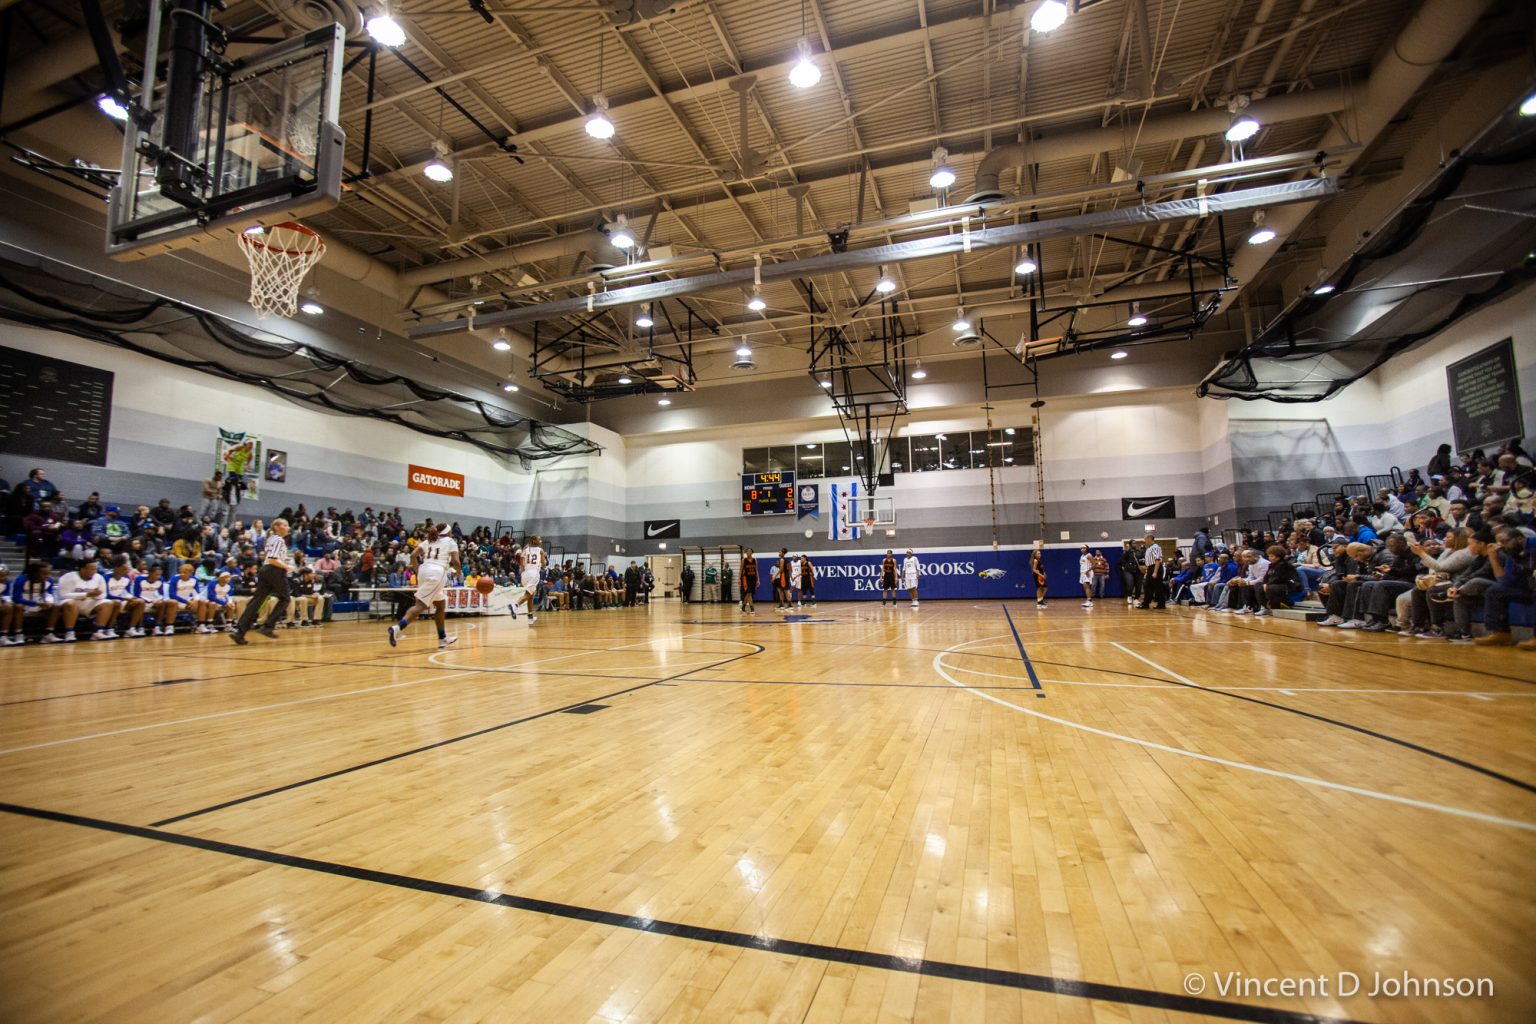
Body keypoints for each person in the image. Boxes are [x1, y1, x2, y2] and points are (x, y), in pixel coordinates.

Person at [389, 524, 460, 649]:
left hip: (424, 570)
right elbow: (455, 561)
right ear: (448, 532)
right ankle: (397, 628)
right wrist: (458, 572)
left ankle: (442, 638)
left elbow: (413, 555)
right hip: (437, 572)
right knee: (420, 605)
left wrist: (418, 571)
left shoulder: (429, 540)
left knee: (440, 604)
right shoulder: (450, 541)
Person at [231, 517, 293, 644]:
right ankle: (268, 626)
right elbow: (272, 559)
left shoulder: (271, 538)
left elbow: (272, 556)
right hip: (274, 571)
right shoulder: (279, 540)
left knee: (257, 601)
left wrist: (283, 558)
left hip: (265, 570)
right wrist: (286, 566)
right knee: (285, 598)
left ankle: (240, 632)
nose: (288, 527)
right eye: (285, 525)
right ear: (277, 527)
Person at [53, 558, 118, 641]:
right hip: (72, 602)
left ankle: (98, 632)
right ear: (82, 569)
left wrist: (95, 595)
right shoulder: (68, 577)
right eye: (91, 569)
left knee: (108, 603)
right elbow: (63, 595)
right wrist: (86, 594)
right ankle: (69, 633)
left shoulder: (99, 577)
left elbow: (103, 595)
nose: (94, 571)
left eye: (95, 569)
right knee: (70, 604)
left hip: (90, 602)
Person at [104, 558, 148, 638]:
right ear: (116, 568)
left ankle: (131, 629)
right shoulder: (106, 578)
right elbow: (106, 595)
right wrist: (123, 599)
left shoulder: (126, 578)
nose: (126, 571)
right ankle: (109, 629)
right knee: (117, 602)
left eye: (127, 569)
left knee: (140, 602)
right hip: (109, 602)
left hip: (123, 602)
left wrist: (132, 598)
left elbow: (127, 593)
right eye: (124, 569)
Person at [511, 535, 541, 620]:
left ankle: (530, 615)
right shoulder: (535, 549)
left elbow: (522, 558)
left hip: (525, 574)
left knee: (530, 595)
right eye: (539, 539)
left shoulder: (526, 548)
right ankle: (515, 605)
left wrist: (522, 567)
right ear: (534, 540)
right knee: (528, 594)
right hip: (531, 574)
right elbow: (522, 558)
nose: (541, 541)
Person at [1139, 534, 1166, 609]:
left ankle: (1161, 605)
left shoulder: (1155, 547)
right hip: (1151, 568)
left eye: (1145, 539)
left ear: (1149, 538)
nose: (1144, 541)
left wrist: (1155, 572)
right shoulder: (1149, 548)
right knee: (1148, 586)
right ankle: (1146, 603)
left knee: (1158, 587)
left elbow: (1157, 560)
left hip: (1155, 568)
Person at [739, 548, 758, 613]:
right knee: (749, 592)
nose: (748, 552)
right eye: (747, 551)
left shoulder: (755, 560)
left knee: (750, 593)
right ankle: (751, 608)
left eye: (749, 551)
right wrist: (739, 578)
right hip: (746, 578)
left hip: (753, 578)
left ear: (752, 552)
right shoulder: (743, 560)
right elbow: (741, 570)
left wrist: (758, 579)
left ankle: (743, 607)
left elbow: (756, 570)